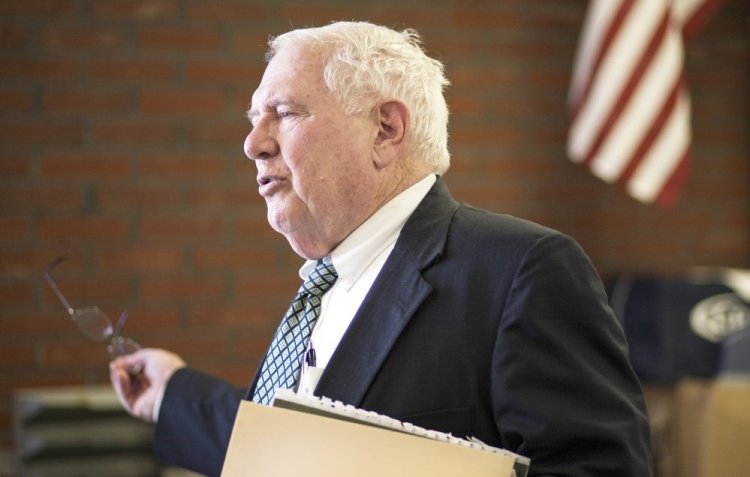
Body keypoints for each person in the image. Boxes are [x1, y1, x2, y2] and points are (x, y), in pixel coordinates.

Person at [110, 21, 653, 477]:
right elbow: (291, 449)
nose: (253, 143)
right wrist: (171, 393)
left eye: (286, 113)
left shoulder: (523, 271)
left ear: (385, 130)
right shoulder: (328, 281)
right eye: (254, 120)